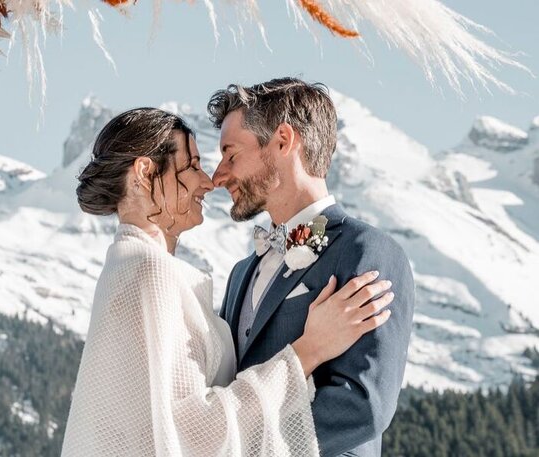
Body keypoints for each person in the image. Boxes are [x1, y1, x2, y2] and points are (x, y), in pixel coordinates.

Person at [60, 107, 394, 457]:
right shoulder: (148, 272)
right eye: (191, 166)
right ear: (145, 173)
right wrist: (310, 349)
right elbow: (197, 434)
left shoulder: (127, 268)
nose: (207, 182)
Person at [208, 77, 415, 457]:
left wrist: (245, 449)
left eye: (231, 155)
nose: (218, 176)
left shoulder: (366, 251)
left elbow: (362, 405)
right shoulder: (240, 274)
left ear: (283, 141)